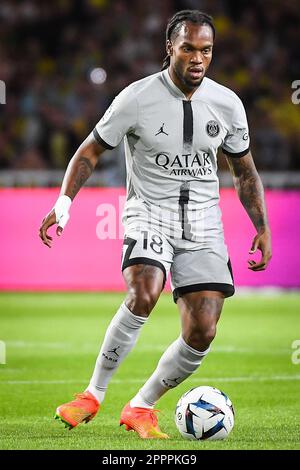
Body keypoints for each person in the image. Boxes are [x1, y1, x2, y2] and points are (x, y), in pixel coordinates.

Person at [39, 10, 272, 439]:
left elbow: (244, 171)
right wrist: (65, 201)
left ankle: (141, 407)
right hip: (149, 213)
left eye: (206, 50)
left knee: (203, 329)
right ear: (170, 48)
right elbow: (89, 151)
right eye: (188, 48)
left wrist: (261, 224)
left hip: (204, 224)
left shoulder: (227, 104)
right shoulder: (136, 98)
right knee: (143, 291)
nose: (198, 58)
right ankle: (92, 393)